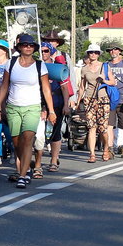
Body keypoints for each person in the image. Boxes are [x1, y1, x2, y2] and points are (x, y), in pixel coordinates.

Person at [0, 34, 56, 188]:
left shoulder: (40, 65)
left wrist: (51, 110)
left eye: (31, 45)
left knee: (28, 139)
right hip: (13, 107)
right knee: (16, 143)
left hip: (32, 107)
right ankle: (26, 166)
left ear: (34, 48)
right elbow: (4, 86)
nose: (28, 47)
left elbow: (46, 89)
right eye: (25, 45)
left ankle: (22, 175)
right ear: (19, 47)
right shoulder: (11, 63)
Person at [38, 41, 70, 173]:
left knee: (55, 132)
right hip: (40, 103)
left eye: (46, 51)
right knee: (39, 133)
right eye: (41, 51)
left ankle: (53, 160)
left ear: (50, 52)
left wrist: (66, 105)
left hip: (56, 102)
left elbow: (64, 88)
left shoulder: (57, 67)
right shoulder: (36, 66)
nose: (44, 53)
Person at [77, 43, 113, 163]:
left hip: (103, 99)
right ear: (88, 54)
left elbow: (113, 82)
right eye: (91, 52)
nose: (93, 54)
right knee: (91, 127)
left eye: (96, 52)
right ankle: (92, 154)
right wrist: (78, 101)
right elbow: (82, 87)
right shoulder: (84, 69)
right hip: (89, 99)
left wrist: (104, 80)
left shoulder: (105, 67)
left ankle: (106, 149)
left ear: (99, 54)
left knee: (103, 128)